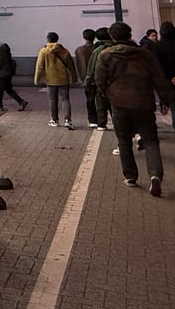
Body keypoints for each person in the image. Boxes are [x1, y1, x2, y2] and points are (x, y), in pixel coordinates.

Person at [96, 21, 175, 196]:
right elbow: (159, 79)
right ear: (130, 35)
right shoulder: (144, 54)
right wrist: (166, 101)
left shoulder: (106, 55)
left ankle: (131, 176)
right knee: (151, 140)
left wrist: (107, 95)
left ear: (112, 36)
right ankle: (155, 176)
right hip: (143, 103)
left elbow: (100, 80)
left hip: (119, 104)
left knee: (123, 141)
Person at [34, 31, 79, 129]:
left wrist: (37, 79)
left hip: (51, 80)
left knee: (52, 100)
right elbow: (71, 65)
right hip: (63, 79)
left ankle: (54, 120)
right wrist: (74, 77)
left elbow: (40, 66)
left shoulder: (43, 51)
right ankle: (68, 120)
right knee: (65, 99)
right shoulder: (64, 50)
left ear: (47, 39)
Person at [85, 27, 113, 130]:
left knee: (101, 102)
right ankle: (117, 122)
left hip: (101, 80)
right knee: (114, 103)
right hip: (116, 81)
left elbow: (91, 68)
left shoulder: (98, 50)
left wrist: (87, 82)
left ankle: (101, 123)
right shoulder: (117, 47)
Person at [0, 42, 28, 112]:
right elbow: (4, 60)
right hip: (7, 73)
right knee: (8, 89)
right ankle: (21, 102)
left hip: (1, 74)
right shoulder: (6, 49)